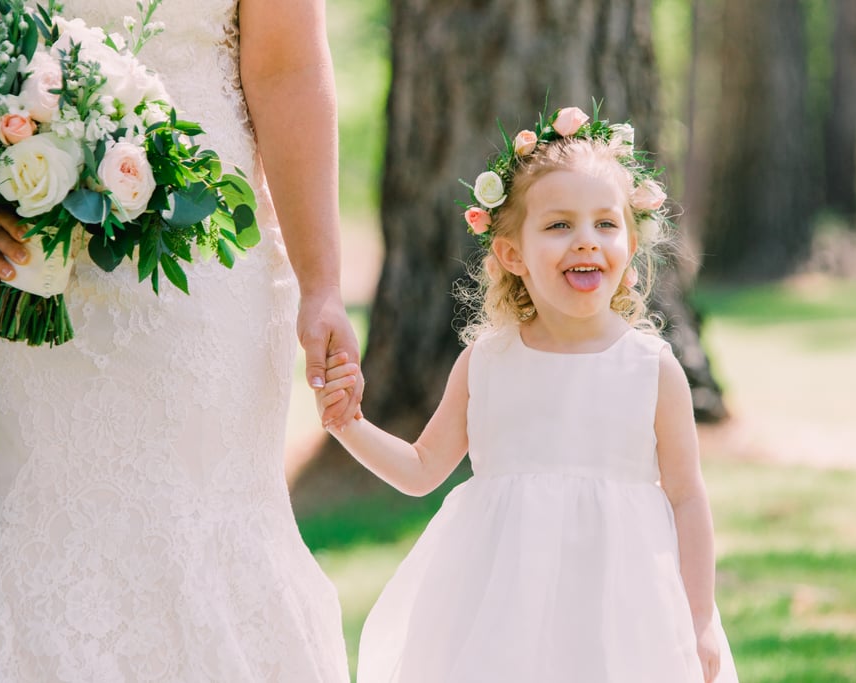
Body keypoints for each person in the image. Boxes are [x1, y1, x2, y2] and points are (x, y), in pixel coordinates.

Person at [0, 0, 359, 680]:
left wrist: (323, 284)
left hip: (197, 273)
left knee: (195, 525)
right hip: (9, 247)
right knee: (18, 523)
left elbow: (288, 68)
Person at [316, 106, 739, 682]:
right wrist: (349, 425)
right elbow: (420, 470)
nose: (586, 242)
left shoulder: (651, 369)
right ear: (513, 254)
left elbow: (688, 497)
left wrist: (701, 618)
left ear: (630, 244)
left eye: (605, 224)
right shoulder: (487, 363)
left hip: (620, 600)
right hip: (502, 599)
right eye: (559, 225)